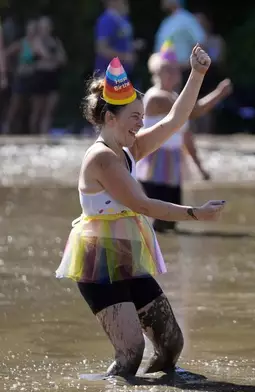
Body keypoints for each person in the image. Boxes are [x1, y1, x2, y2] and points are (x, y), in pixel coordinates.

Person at [55, 46, 225, 377]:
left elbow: (176, 119)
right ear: (109, 118)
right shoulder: (101, 158)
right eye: (135, 116)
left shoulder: (129, 147)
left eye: (142, 116)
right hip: (97, 265)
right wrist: (196, 213)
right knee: (132, 352)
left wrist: (198, 74)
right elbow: (143, 205)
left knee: (171, 344)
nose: (141, 123)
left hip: (127, 257)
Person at [137, 40, 233, 233]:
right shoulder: (156, 97)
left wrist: (200, 167)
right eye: (168, 70)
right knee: (158, 220)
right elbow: (194, 111)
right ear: (157, 74)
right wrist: (219, 94)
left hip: (172, 163)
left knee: (170, 221)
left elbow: (187, 138)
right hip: (155, 165)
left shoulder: (176, 98)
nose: (174, 74)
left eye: (175, 70)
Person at [2, 19, 43, 135]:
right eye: (30, 29)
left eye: (34, 30)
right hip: (22, 77)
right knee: (16, 104)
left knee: (33, 106)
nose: (32, 32)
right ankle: (7, 127)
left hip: (34, 77)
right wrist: (11, 68)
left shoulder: (38, 43)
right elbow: (6, 54)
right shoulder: (22, 43)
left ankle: (33, 131)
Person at [155, 0, 205, 84]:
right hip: (166, 75)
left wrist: (189, 66)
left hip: (183, 74)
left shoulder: (187, 19)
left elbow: (200, 42)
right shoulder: (167, 21)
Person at [31, 16, 66, 135]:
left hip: (53, 76)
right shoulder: (36, 40)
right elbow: (44, 54)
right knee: (38, 110)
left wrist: (53, 59)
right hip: (40, 76)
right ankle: (33, 133)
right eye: (42, 27)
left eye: (47, 27)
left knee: (50, 108)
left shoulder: (55, 41)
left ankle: (44, 133)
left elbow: (63, 59)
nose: (45, 29)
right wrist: (54, 59)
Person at [95, 0, 144, 75]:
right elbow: (101, 49)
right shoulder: (106, 20)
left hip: (126, 73)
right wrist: (125, 57)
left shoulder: (124, 19)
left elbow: (121, 42)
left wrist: (133, 45)